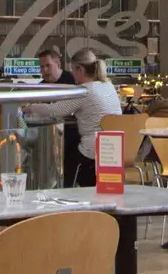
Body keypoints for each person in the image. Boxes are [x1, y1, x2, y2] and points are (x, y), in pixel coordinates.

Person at [22, 48, 121, 186]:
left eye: (74, 70)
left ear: (80, 69)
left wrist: (30, 108)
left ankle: (65, 195)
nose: (73, 75)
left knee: (63, 162)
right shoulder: (108, 85)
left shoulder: (84, 90)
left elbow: (54, 110)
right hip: (114, 148)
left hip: (93, 150)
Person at [38, 46, 83, 187]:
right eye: (41, 67)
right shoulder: (40, 87)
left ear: (58, 64)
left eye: (48, 65)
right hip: (48, 134)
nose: (44, 70)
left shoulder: (73, 81)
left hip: (72, 133)